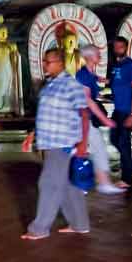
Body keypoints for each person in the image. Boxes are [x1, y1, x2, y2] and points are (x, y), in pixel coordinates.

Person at [21, 48, 90, 240]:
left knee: (49, 183)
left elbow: (84, 115)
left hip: (63, 142)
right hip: (49, 141)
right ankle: (80, 224)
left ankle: (39, 229)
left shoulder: (71, 85)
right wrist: (32, 135)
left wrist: (83, 143)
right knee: (67, 184)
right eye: (44, 61)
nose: (44, 65)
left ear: (60, 63)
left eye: (48, 62)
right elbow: (44, 114)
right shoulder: (49, 85)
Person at [76, 45, 124, 194]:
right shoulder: (83, 75)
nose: (100, 56)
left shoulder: (90, 74)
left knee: (94, 148)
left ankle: (95, 183)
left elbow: (96, 88)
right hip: (83, 118)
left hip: (86, 118)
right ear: (90, 57)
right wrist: (105, 119)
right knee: (98, 148)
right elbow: (88, 101)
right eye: (98, 54)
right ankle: (103, 183)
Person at [109, 35, 132, 189]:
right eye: (115, 47)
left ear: (126, 48)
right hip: (117, 109)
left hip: (127, 111)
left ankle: (127, 179)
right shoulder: (115, 66)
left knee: (123, 143)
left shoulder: (131, 66)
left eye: (120, 47)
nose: (117, 49)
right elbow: (116, 84)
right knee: (114, 139)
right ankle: (129, 162)